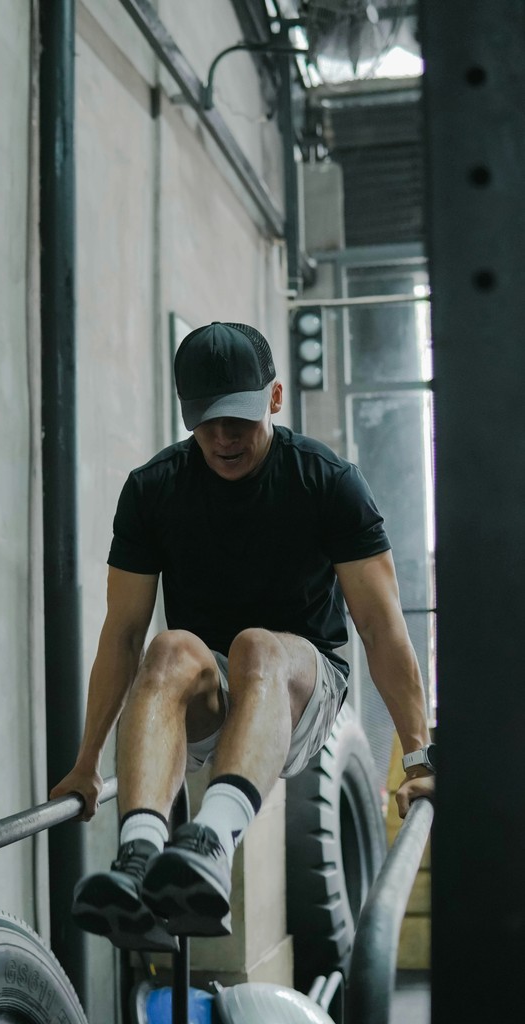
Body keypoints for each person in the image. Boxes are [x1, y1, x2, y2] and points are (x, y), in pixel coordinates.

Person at [50, 321, 435, 953]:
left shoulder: (328, 481)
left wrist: (419, 758)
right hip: (209, 697)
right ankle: (140, 856)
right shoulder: (153, 490)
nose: (224, 438)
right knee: (167, 647)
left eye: (240, 420)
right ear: (186, 416)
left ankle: (210, 843)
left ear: (274, 400)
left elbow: (382, 627)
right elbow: (120, 636)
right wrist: (85, 764)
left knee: (259, 644)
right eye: (207, 422)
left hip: (301, 692)